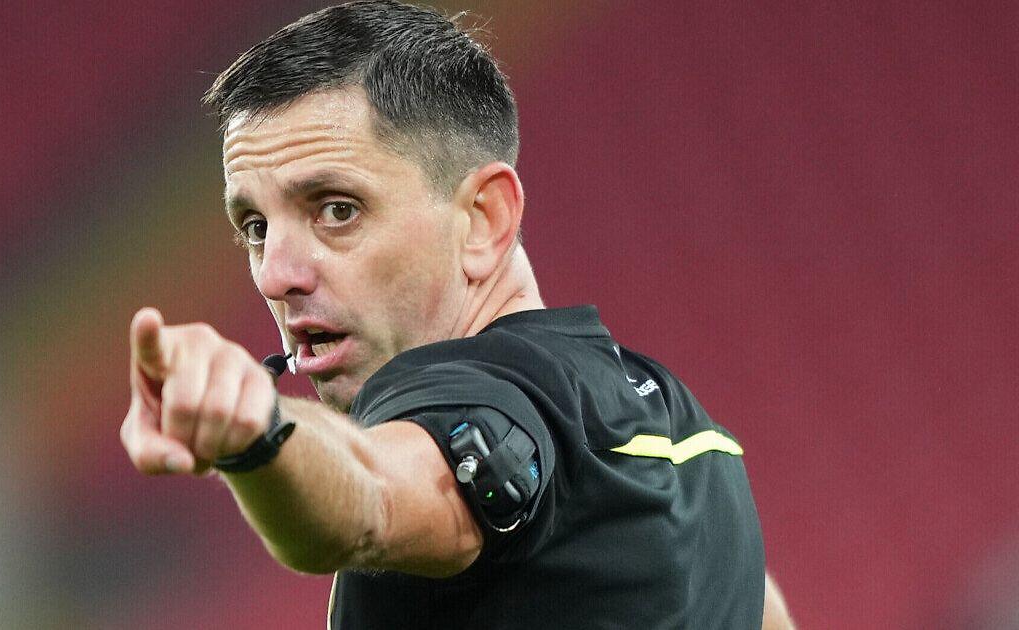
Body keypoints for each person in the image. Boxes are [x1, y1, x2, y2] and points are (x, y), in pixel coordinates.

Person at [120, 1, 793, 628]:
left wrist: (260, 432)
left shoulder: (477, 397)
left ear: (483, 219)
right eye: (256, 227)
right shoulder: (694, 441)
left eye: (337, 210)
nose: (275, 274)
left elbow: (374, 494)